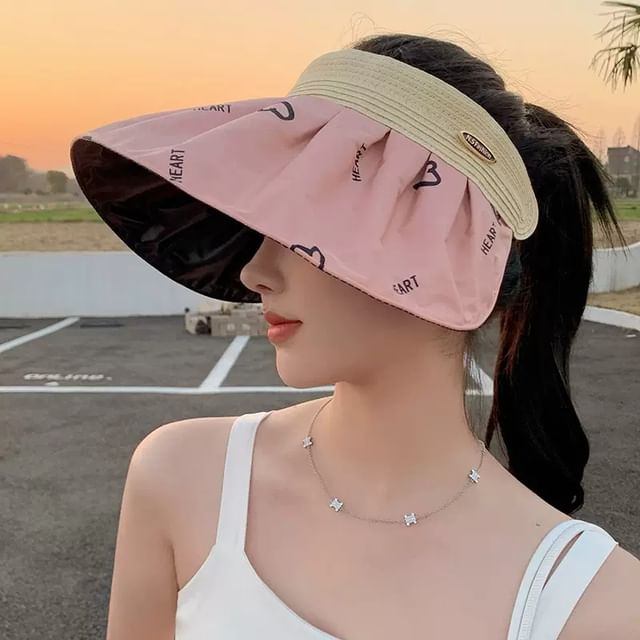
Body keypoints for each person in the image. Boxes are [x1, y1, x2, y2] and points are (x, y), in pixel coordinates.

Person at [69, 33, 640, 640]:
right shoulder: (181, 478)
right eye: (269, 222)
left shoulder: (597, 606)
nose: (255, 271)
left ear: (445, 241)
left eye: (309, 223)